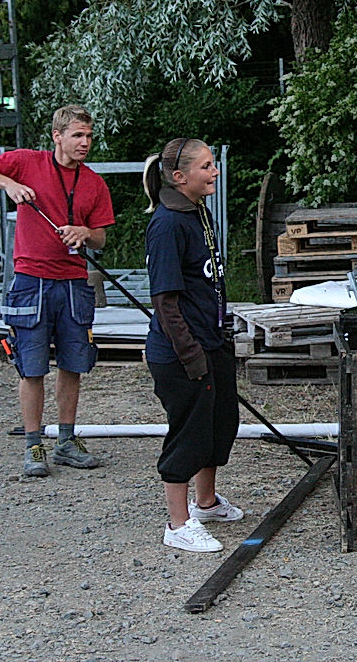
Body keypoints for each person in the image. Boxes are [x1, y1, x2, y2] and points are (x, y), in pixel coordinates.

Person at [0, 105, 115, 477]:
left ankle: (66, 440)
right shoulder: (27, 162)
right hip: (31, 281)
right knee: (31, 367)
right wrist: (9, 184)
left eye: (89, 136)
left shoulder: (94, 183)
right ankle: (34, 445)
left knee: (73, 363)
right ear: (57, 136)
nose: (85, 143)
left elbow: (101, 238)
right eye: (78, 135)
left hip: (73, 284)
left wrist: (84, 233)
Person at [142, 138, 244, 552]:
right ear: (180, 177)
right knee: (189, 433)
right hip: (181, 353)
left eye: (212, 164)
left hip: (211, 341)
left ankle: (205, 503)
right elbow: (165, 302)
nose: (214, 172)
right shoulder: (167, 224)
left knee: (220, 425)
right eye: (206, 167)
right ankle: (178, 524)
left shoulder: (197, 210)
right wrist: (191, 355)